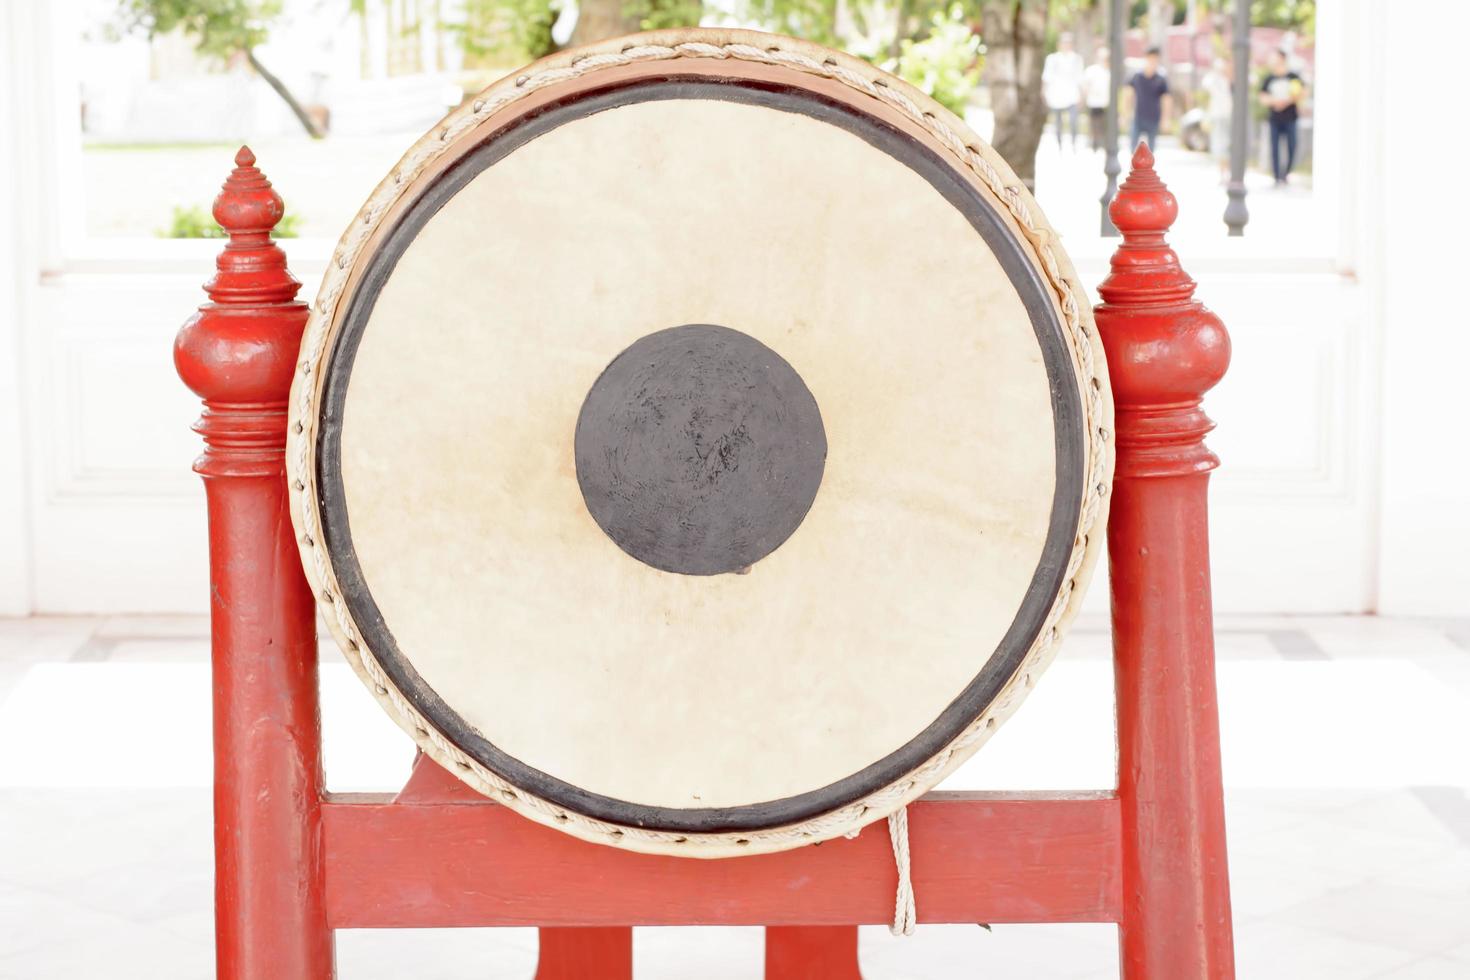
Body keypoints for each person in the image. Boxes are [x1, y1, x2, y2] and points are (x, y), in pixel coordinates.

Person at [1259, 49, 1304, 185]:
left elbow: (1300, 94)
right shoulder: (1269, 79)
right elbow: (1263, 97)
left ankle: (1286, 174)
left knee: (1292, 146)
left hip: (1290, 117)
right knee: (1275, 148)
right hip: (1274, 118)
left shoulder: (1293, 77)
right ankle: (1277, 176)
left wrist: (1285, 102)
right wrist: (1275, 102)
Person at [1043, 33, 1085, 151]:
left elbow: (1080, 78)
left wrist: (1082, 95)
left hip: (1072, 95)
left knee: (1073, 121)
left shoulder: (1077, 59)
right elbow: (1047, 77)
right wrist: (1044, 93)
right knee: (1058, 122)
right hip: (1055, 95)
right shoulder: (1052, 58)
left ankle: (1073, 143)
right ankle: (1059, 145)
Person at [1127, 46, 1169, 149]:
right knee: (1133, 147)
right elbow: (1128, 94)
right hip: (1138, 116)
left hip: (1154, 117)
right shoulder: (1137, 76)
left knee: (1151, 150)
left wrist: (1165, 119)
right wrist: (1126, 113)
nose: (1153, 61)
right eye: (1151, 58)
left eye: (1155, 59)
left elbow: (1166, 99)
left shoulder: (1161, 78)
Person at [1202, 57, 1233, 183]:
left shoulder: (1233, 80)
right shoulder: (1215, 80)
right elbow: (1206, 84)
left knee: (1230, 146)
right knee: (1220, 145)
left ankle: (1231, 173)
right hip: (1218, 116)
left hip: (1233, 117)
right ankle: (1223, 174)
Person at [1082, 46, 1111, 152]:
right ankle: (1094, 145)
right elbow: (1085, 86)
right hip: (1093, 103)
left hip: (1106, 103)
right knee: (1094, 125)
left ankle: (1103, 144)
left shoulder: (1110, 72)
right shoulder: (1092, 70)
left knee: (1104, 126)